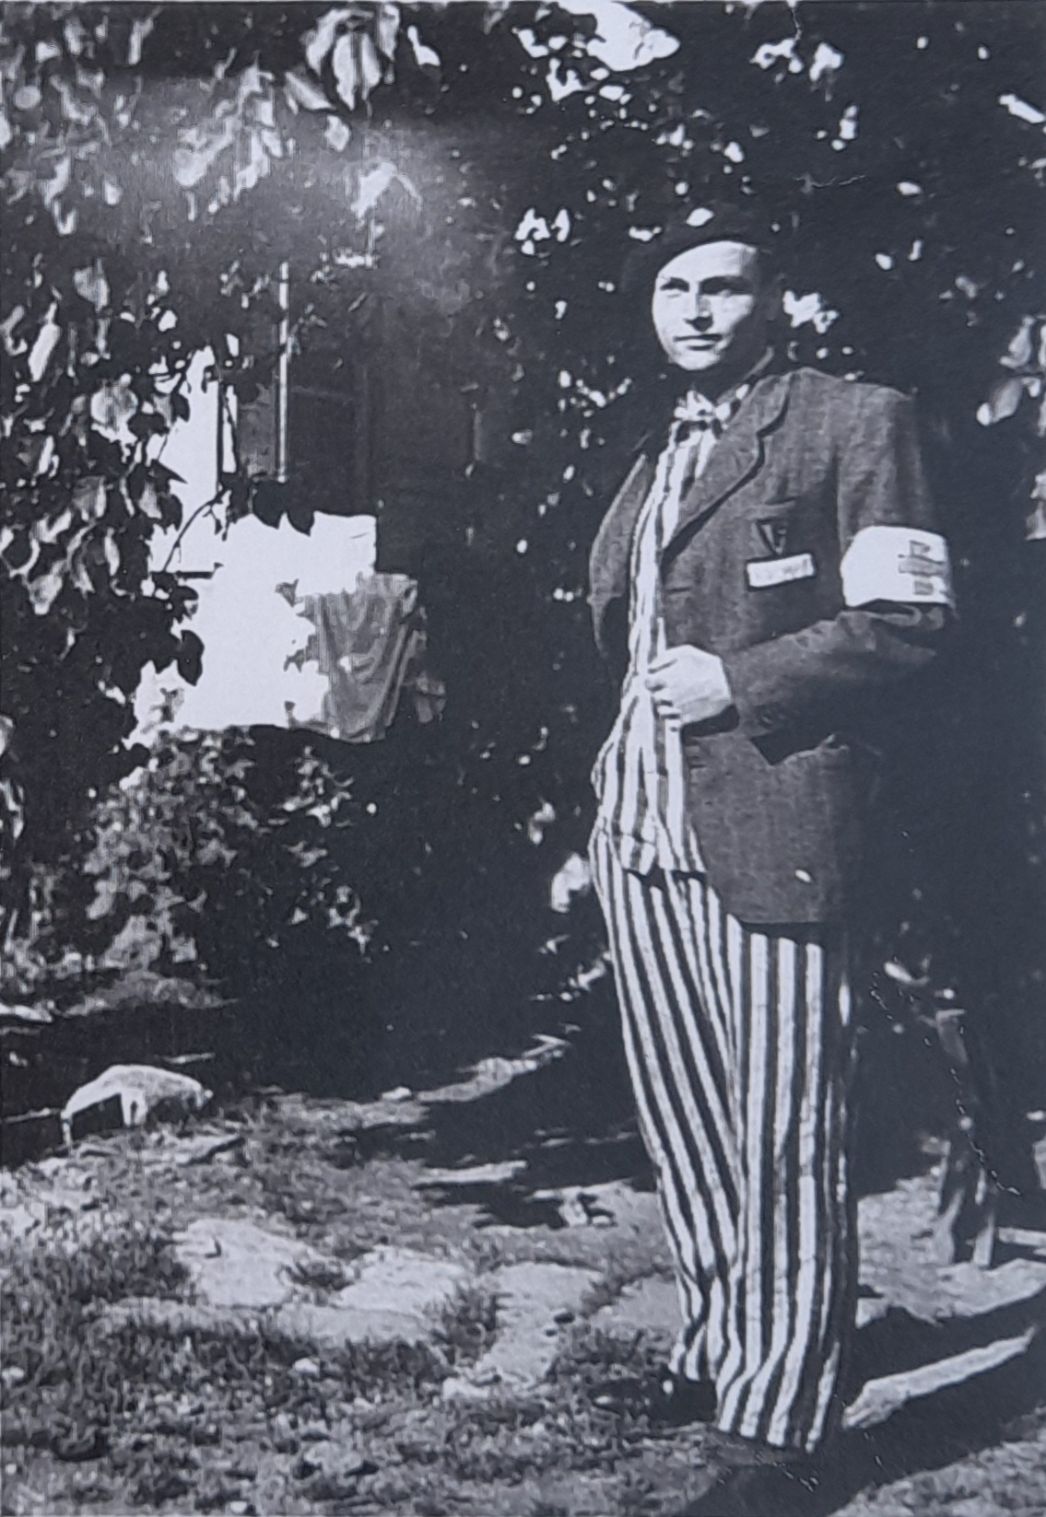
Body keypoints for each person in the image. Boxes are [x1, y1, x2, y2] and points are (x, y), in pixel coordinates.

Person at [585, 202, 953, 1514]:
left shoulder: (855, 421)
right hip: (640, 832)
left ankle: (781, 1432)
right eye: (671, 286)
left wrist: (739, 681)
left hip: (783, 825)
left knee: (782, 1128)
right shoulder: (653, 450)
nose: (693, 309)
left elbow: (907, 623)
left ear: (773, 299)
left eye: (722, 287)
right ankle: (720, 1342)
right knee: (688, 1123)